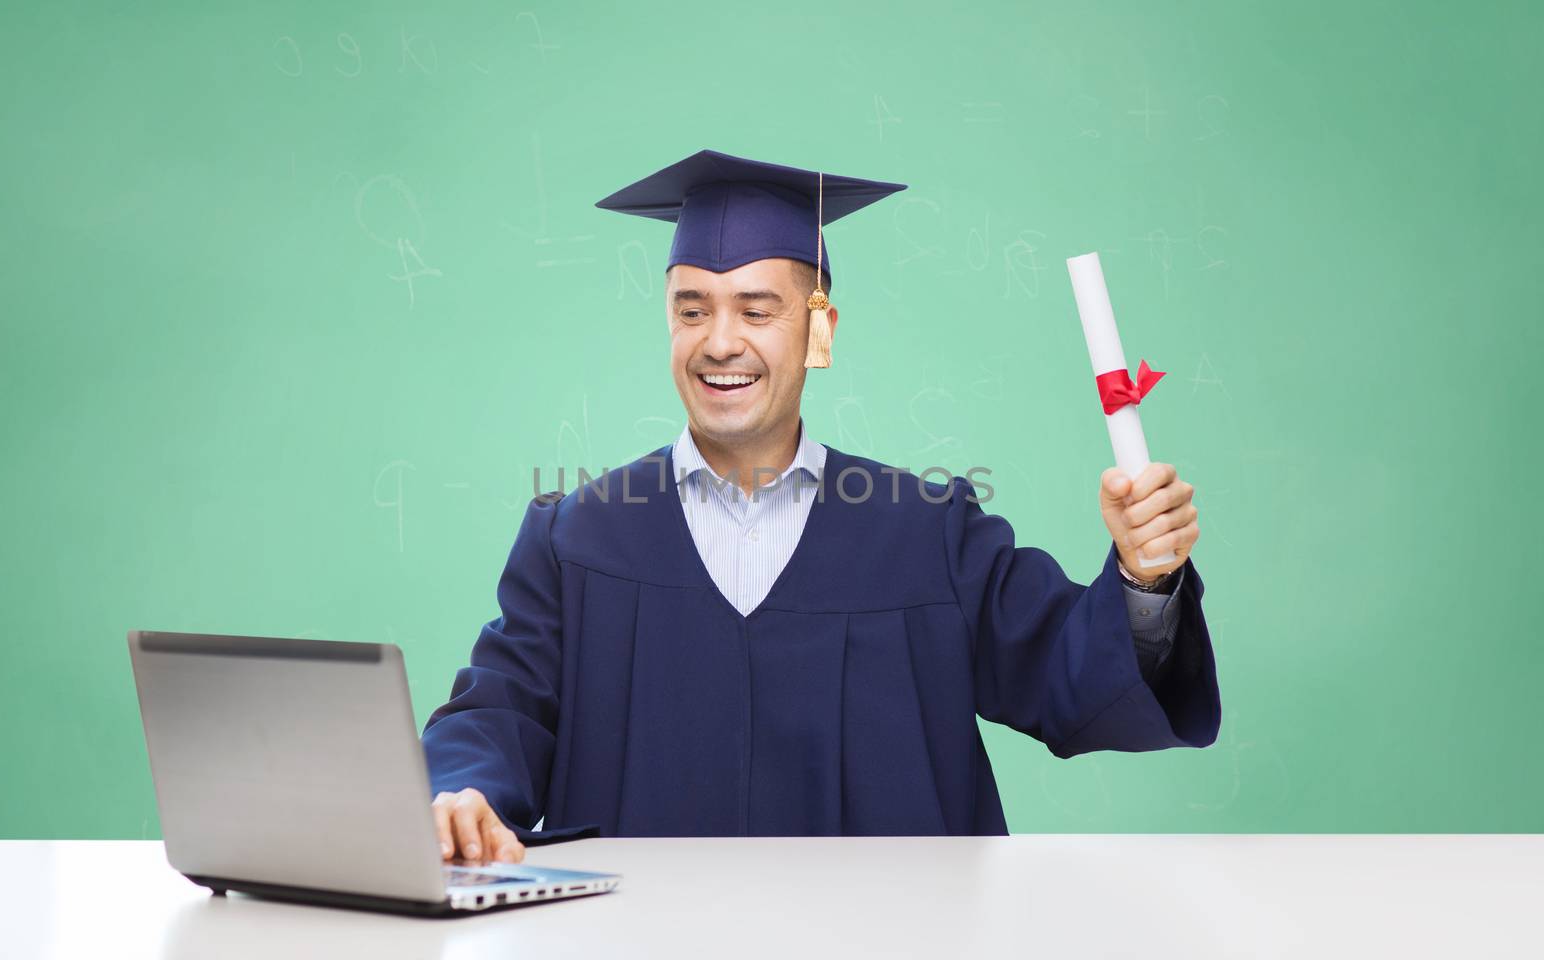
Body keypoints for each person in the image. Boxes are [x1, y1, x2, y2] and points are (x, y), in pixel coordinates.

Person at [421, 149, 1218, 865]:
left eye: (757, 310)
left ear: (819, 330)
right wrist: (463, 792)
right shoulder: (577, 538)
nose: (720, 341)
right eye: (692, 310)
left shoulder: (926, 534)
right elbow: (498, 709)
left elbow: (1069, 677)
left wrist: (1146, 580)